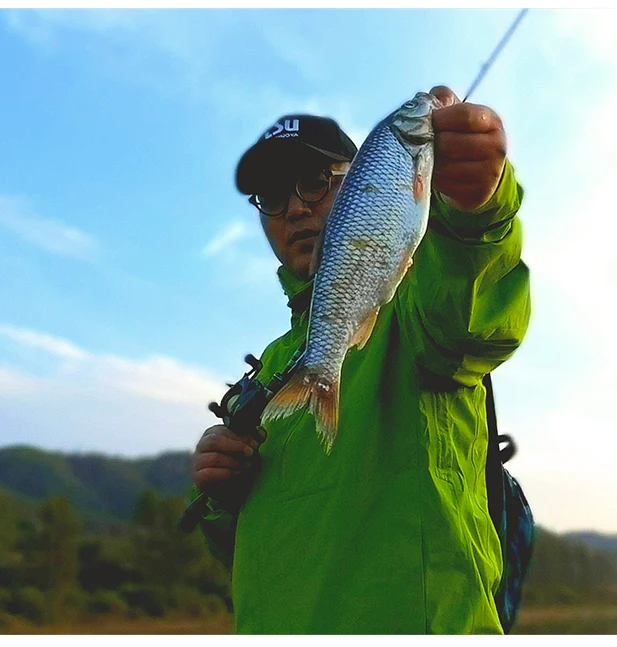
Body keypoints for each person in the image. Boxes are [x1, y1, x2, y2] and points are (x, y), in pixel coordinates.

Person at [189, 85, 531, 634]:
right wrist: (221, 494)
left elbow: (473, 323)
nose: (295, 206)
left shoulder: (415, 305)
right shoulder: (272, 366)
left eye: (315, 182)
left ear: (363, 183)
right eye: (273, 196)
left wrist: (476, 215)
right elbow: (254, 548)